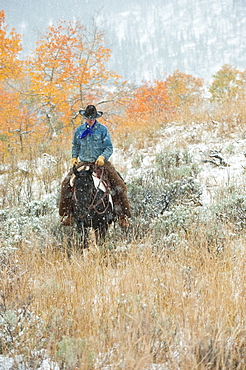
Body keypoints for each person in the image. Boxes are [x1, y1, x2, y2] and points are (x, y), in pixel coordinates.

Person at [59, 104, 131, 228]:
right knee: (66, 184)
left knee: (119, 185)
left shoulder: (103, 130)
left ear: (96, 118)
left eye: (92, 118)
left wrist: (103, 157)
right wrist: (74, 157)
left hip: (100, 163)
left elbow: (108, 147)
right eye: (88, 118)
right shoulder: (79, 130)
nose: (90, 120)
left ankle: (122, 215)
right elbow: (75, 145)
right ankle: (68, 214)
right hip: (83, 163)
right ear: (85, 117)